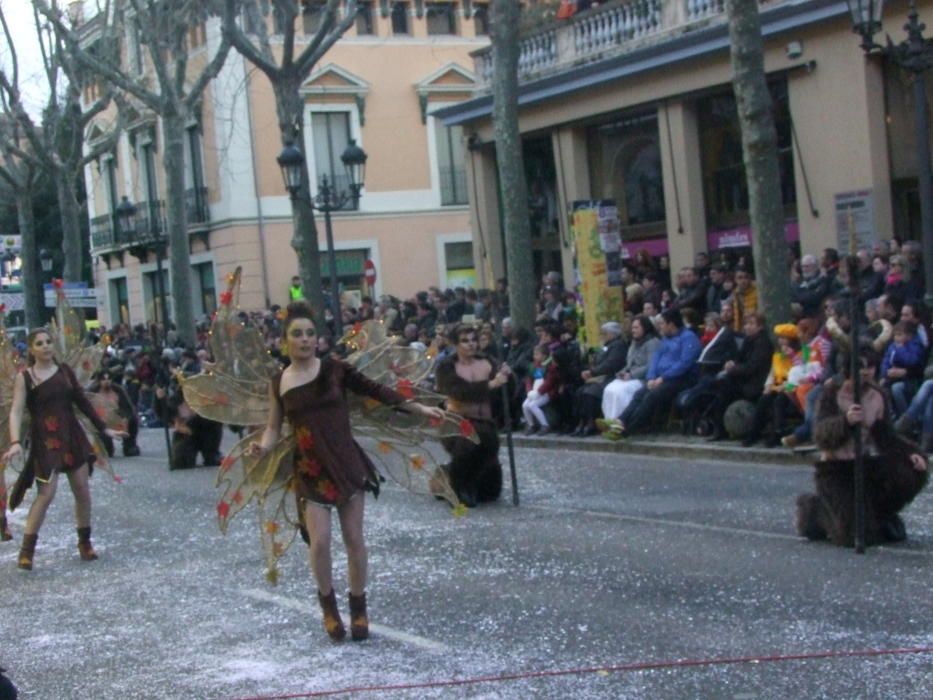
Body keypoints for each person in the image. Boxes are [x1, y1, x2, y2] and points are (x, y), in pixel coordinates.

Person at [249, 301, 445, 642]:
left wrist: (419, 408)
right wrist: (263, 446)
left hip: (346, 462)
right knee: (320, 542)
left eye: (311, 333)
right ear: (285, 340)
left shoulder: (335, 369)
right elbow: (273, 426)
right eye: (297, 334)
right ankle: (328, 605)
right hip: (310, 468)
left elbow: (378, 392)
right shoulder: (278, 381)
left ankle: (358, 606)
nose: (306, 340)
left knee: (355, 539)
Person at [4, 329, 125, 570]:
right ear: (31, 349)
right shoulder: (25, 378)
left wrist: (105, 430)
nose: (46, 346)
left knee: (82, 490)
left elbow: (83, 403)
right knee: (46, 495)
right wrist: (15, 442)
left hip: (72, 437)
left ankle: (85, 543)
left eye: (49, 342)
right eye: (40, 343)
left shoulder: (65, 372)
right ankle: (26, 551)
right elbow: (16, 411)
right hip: (45, 442)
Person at [796, 344, 929, 545]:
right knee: (854, 537)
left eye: (871, 367)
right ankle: (815, 511)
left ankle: (879, 513)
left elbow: (886, 437)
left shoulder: (878, 396)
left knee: (912, 470)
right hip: (836, 469)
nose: (866, 371)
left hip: (867, 464)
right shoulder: (833, 392)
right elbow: (821, 434)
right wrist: (845, 422)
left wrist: (910, 453)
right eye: (860, 366)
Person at [435, 323, 509, 507]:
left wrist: (508, 377)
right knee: (467, 450)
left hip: (486, 422)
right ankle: (459, 487)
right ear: (455, 344)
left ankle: (449, 477)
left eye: (474, 340)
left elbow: (506, 392)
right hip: (458, 423)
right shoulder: (446, 367)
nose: (471, 344)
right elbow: (460, 392)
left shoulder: (489, 362)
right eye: (465, 341)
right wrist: (490, 385)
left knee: (490, 490)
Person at [88, 369, 141, 457]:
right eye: (104, 379)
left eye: (109, 379)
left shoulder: (118, 390)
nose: (106, 382)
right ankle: (105, 446)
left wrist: (125, 417)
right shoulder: (93, 391)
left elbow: (128, 408)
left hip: (117, 418)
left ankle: (130, 445)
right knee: (107, 452)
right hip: (101, 422)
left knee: (133, 420)